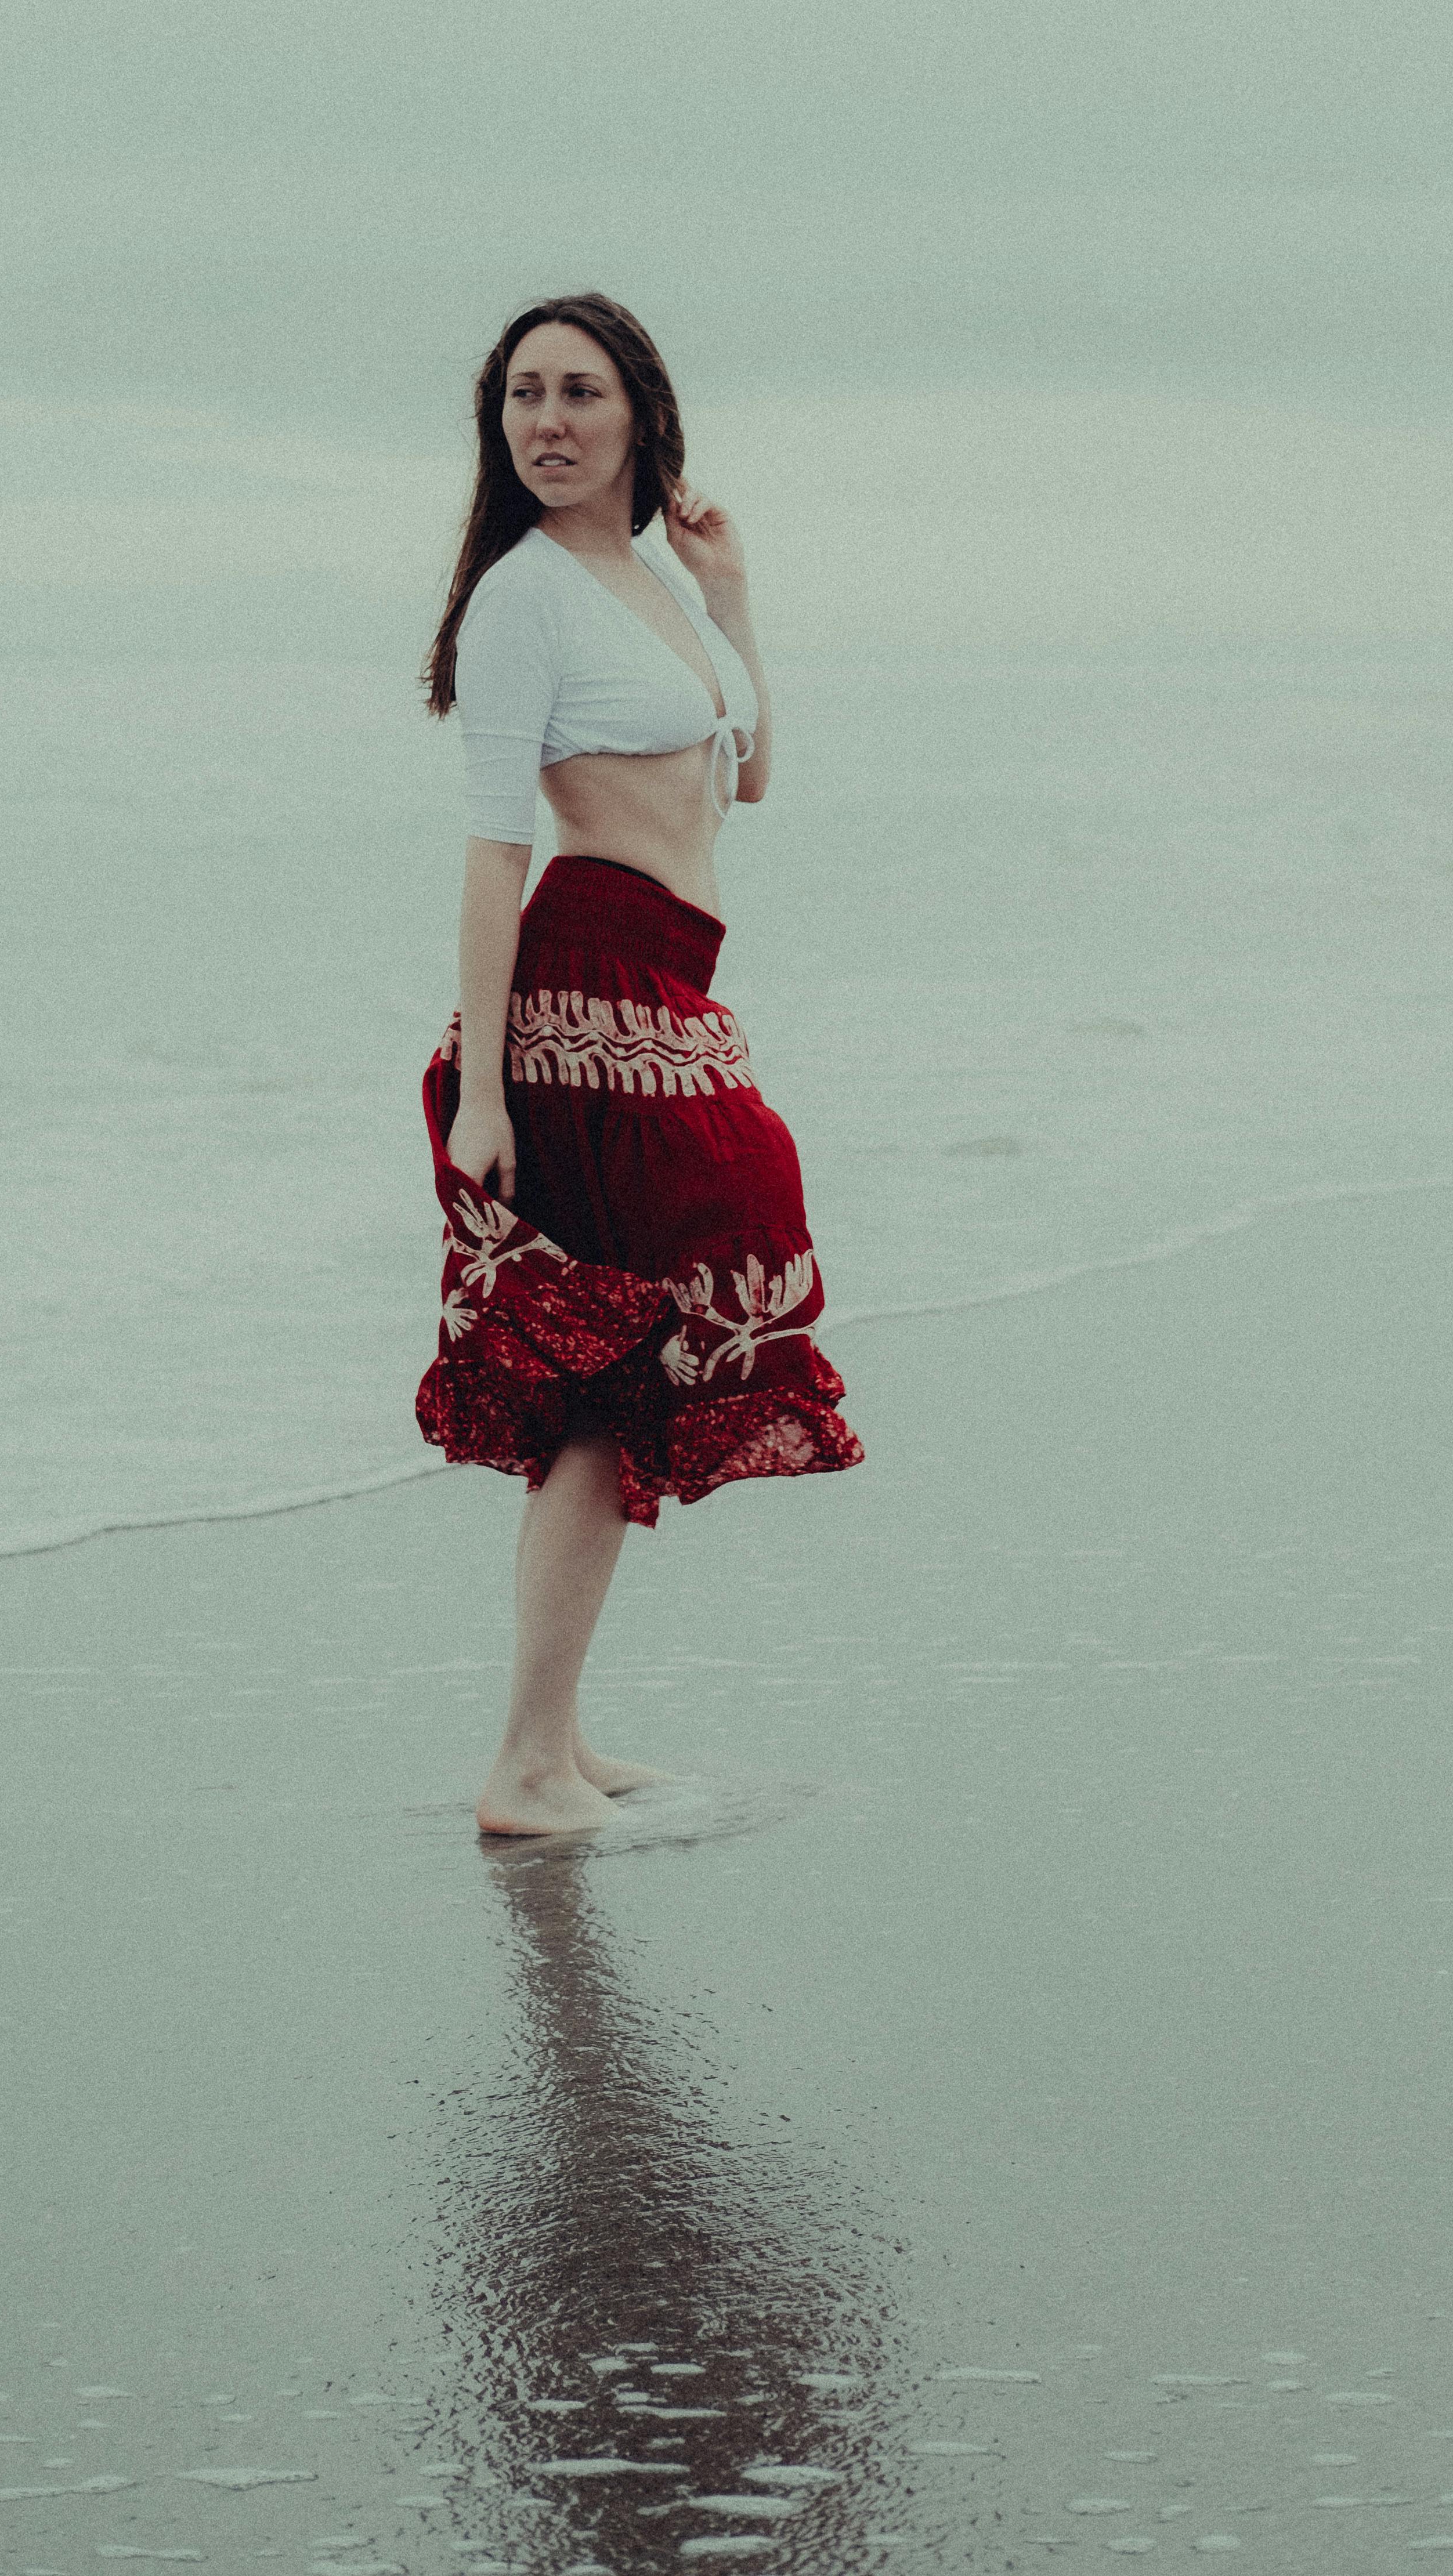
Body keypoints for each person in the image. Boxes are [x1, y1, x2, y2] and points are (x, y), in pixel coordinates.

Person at [417, 291, 863, 1836]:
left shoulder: (649, 583)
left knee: (616, 1381)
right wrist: (483, 1089)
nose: (546, 422)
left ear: (637, 415)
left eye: (577, 394)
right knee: (630, 1355)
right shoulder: (521, 600)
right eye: (522, 397)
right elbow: (491, 856)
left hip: (675, 982)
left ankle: (551, 1738)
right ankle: (525, 1764)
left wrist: (729, 599)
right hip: (586, 993)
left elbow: (750, 776)